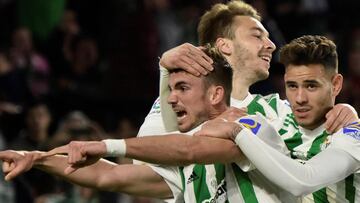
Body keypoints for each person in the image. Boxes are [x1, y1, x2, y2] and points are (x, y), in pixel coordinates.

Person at [0, 46, 253, 202]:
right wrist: (36, 158)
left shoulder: (252, 124)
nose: (171, 98)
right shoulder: (186, 173)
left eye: (183, 88)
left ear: (216, 94)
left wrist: (108, 145)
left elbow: (188, 149)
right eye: (171, 89)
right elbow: (106, 175)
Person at [195, 35, 360, 202]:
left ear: (336, 85)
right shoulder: (272, 112)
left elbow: (304, 181)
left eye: (311, 86)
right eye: (292, 86)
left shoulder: (352, 134)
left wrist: (237, 131)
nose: (300, 98)